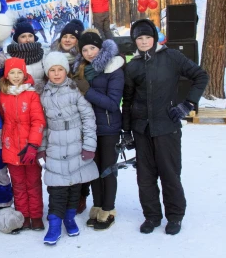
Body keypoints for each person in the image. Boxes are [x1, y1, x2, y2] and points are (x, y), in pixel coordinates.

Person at [122, 18, 209, 235]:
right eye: (139, 38)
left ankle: (175, 216)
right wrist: (127, 131)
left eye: (147, 37)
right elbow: (128, 100)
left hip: (167, 127)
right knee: (145, 177)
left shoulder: (171, 57)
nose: (143, 42)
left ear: (155, 38)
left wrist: (188, 104)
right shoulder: (133, 66)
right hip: (142, 130)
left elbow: (200, 76)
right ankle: (152, 216)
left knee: (170, 174)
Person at [37, 52, 98, 245]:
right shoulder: (43, 94)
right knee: (56, 188)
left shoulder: (75, 90)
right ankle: (54, 223)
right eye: (52, 70)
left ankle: (69, 218)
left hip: (77, 145)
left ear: (66, 71)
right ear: (47, 72)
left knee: (75, 186)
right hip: (55, 146)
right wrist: (42, 148)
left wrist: (89, 145)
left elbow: (89, 118)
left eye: (60, 69)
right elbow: (42, 124)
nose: (56, 74)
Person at [72, 30, 124, 230]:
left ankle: (108, 209)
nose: (89, 53)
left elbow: (112, 103)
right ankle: (97, 206)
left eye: (92, 48)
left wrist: (87, 91)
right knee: (93, 170)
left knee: (108, 169)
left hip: (109, 127)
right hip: (89, 128)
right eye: (85, 49)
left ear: (100, 47)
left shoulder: (113, 68)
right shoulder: (83, 69)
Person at [0, 58, 46, 231]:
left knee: (33, 183)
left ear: (25, 74)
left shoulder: (32, 94)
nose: (16, 76)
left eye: (20, 72)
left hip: (29, 148)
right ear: (6, 75)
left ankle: (36, 215)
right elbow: (3, 120)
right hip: (11, 148)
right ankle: (23, 216)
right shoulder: (2, 95)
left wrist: (33, 145)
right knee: (18, 185)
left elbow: (38, 120)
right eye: (12, 72)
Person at [7, 21, 47, 93]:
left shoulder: (43, 53)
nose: (28, 39)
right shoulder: (9, 58)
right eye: (23, 36)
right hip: (22, 99)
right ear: (17, 39)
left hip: (42, 95)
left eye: (30, 36)